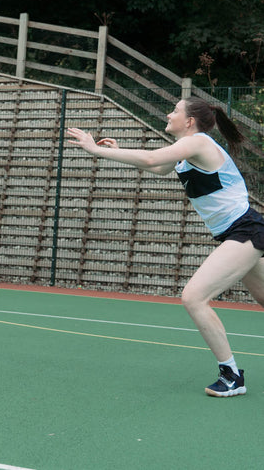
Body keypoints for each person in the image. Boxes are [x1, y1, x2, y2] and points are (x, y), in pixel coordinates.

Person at [67, 96, 264, 397]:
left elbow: (150, 159)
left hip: (245, 230)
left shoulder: (198, 142)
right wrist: (116, 152)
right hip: (238, 232)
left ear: (189, 121)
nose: (168, 114)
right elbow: (159, 167)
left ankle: (232, 376)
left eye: (175, 110)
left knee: (194, 297)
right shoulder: (185, 153)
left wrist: (94, 149)